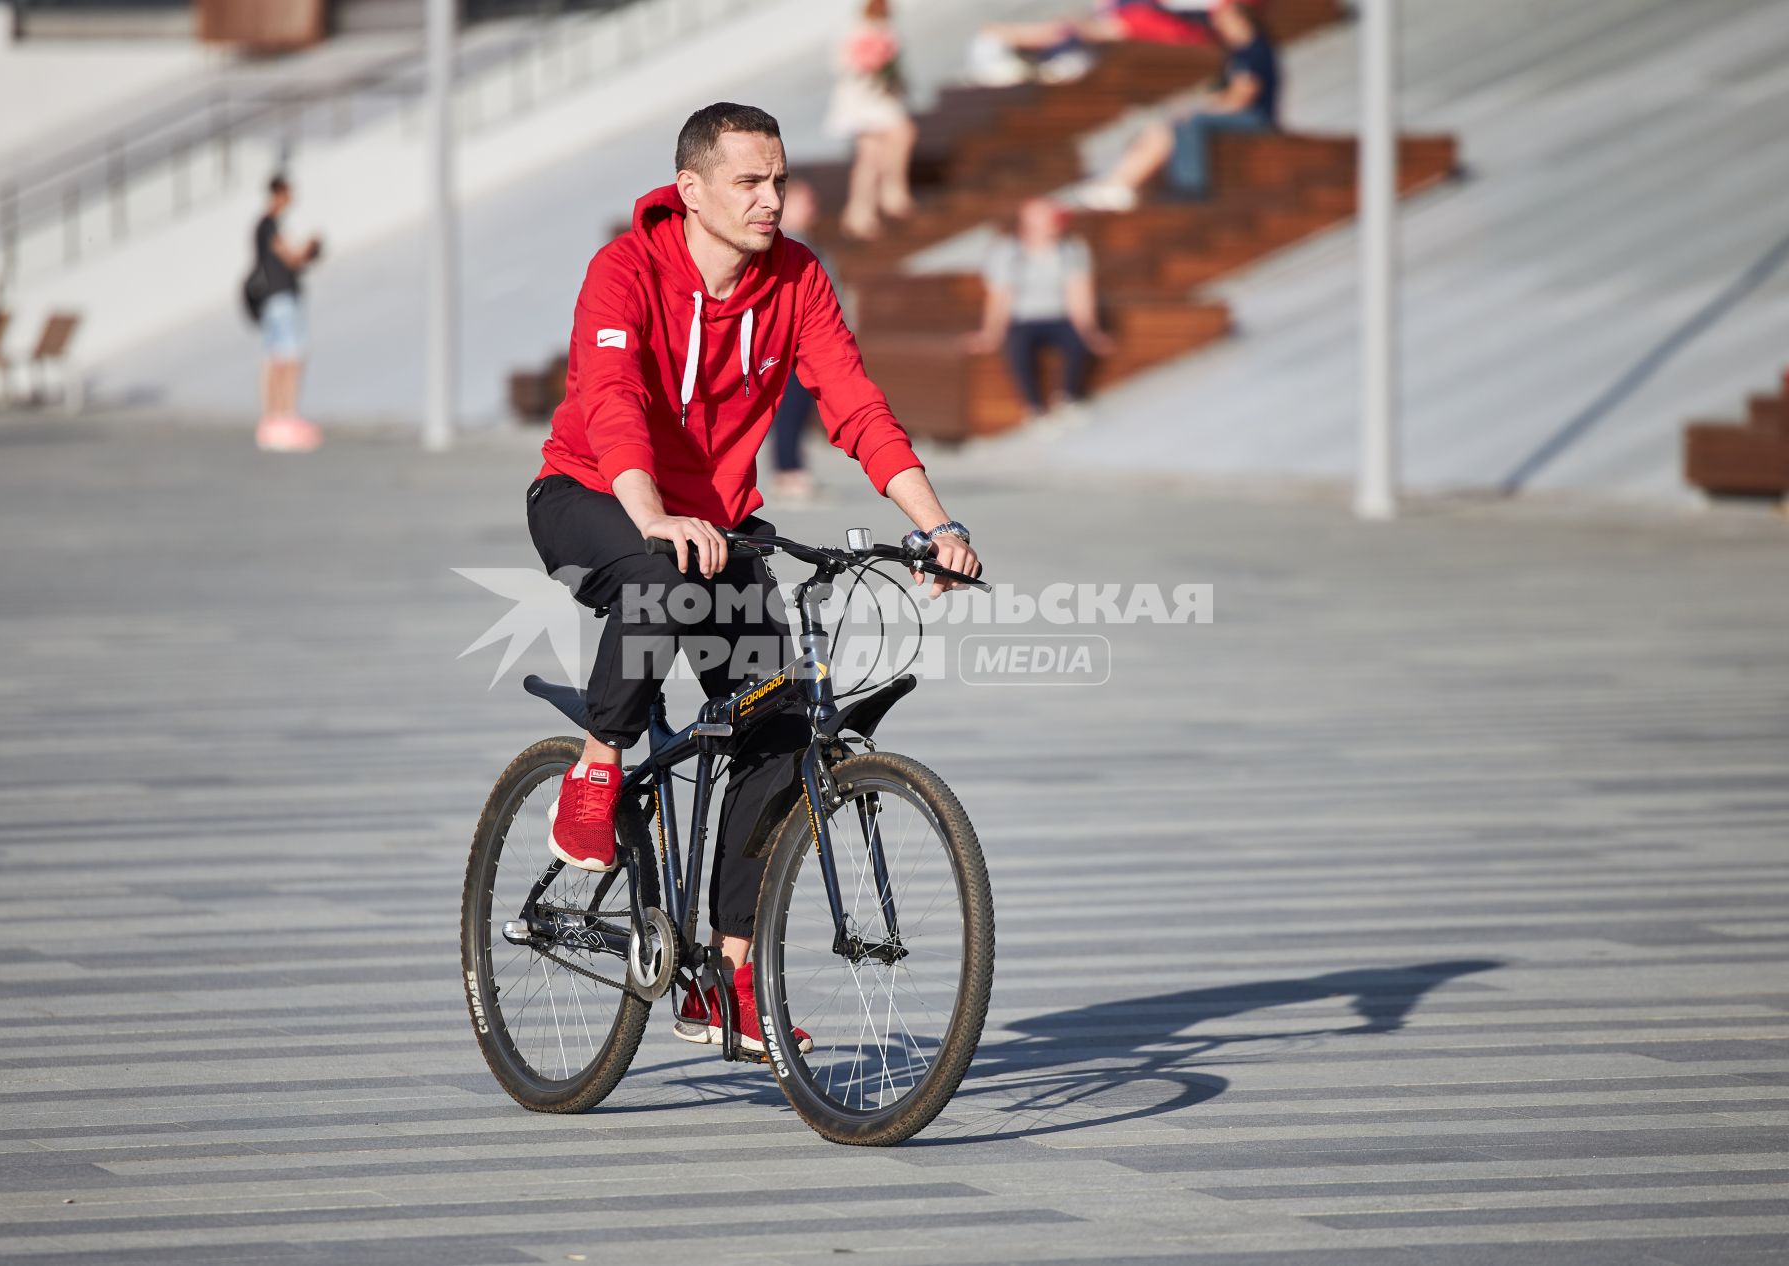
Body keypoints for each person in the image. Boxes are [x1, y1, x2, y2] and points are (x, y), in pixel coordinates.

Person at [526, 102, 980, 1054]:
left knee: (778, 722)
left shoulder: (797, 279)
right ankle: (599, 768)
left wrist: (933, 525)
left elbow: (853, 401)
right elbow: (609, 404)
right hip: (590, 497)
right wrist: (649, 510)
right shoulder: (625, 270)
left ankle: (725, 978)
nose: (773, 199)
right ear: (691, 190)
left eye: (778, 180)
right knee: (656, 574)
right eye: (749, 183)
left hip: (716, 529)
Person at [1078, 1, 1281, 210]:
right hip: (1243, 115)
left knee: (1191, 121)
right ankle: (1123, 184)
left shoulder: (1253, 49)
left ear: (1240, 19)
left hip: (1257, 118)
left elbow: (1242, 97)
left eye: (1223, 19)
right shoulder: (1236, 52)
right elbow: (1224, 95)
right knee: (1176, 121)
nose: (1219, 24)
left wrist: (1199, 110)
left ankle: (1190, 190)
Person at [965, 198, 1114, 425]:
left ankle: (1067, 398)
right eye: (1047, 217)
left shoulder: (1072, 249)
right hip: (1022, 319)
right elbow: (1000, 297)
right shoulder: (1006, 251)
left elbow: (1079, 294)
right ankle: (1034, 409)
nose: (1055, 222)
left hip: (1060, 316)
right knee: (1017, 347)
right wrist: (990, 335)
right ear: (1028, 223)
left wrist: (1091, 332)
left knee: (1078, 341)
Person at [968, 0, 1225, 87]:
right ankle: (1012, 46)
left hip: (1151, 32)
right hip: (1118, 31)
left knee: (1072, 27)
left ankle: (1014, 44)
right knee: (1071, 26)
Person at [827, 0, 917, 241]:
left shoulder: (876, 26)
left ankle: (859, 212)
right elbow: (846, 62)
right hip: (867, 97)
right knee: (901, 133)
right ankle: (892, 190)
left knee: (870, 156)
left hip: (873, 96)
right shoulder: (861, 28)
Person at [766, 179, 831, 503]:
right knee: (789, 405)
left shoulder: (805, 241)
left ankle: (791, 466)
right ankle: (787, 469)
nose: (813, 209)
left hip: (812, 340)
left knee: (800, 405)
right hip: (792, 343)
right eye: (806, 202)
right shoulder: (780, 244)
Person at [252, 175, 322, 453]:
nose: (292, 198)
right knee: (290, 357)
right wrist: (309, 250)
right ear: (279, 194)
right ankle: (284, 418)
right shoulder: (269, 225)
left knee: (276, 356)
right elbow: (290, 258)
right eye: (289, 193)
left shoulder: (264, 226)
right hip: (281, 297)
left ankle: (273, 421)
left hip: (272, 299)